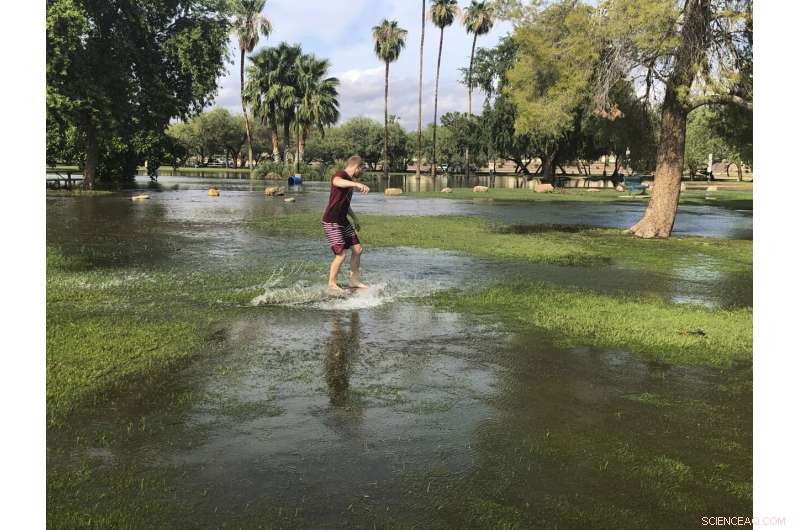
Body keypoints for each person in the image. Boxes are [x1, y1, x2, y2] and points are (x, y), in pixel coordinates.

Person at [322, 155, 370, 294]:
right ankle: (331, 283)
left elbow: (346, 205)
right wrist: (356, 184)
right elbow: (336, 181)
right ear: (357, 167)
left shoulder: (349, 181)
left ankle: (353, 280)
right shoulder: (341, 175)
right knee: (341, 254)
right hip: (332, 221)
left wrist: (355, 219)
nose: (361, 172)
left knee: (357, 249)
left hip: (343, 220)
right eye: (362, 169)